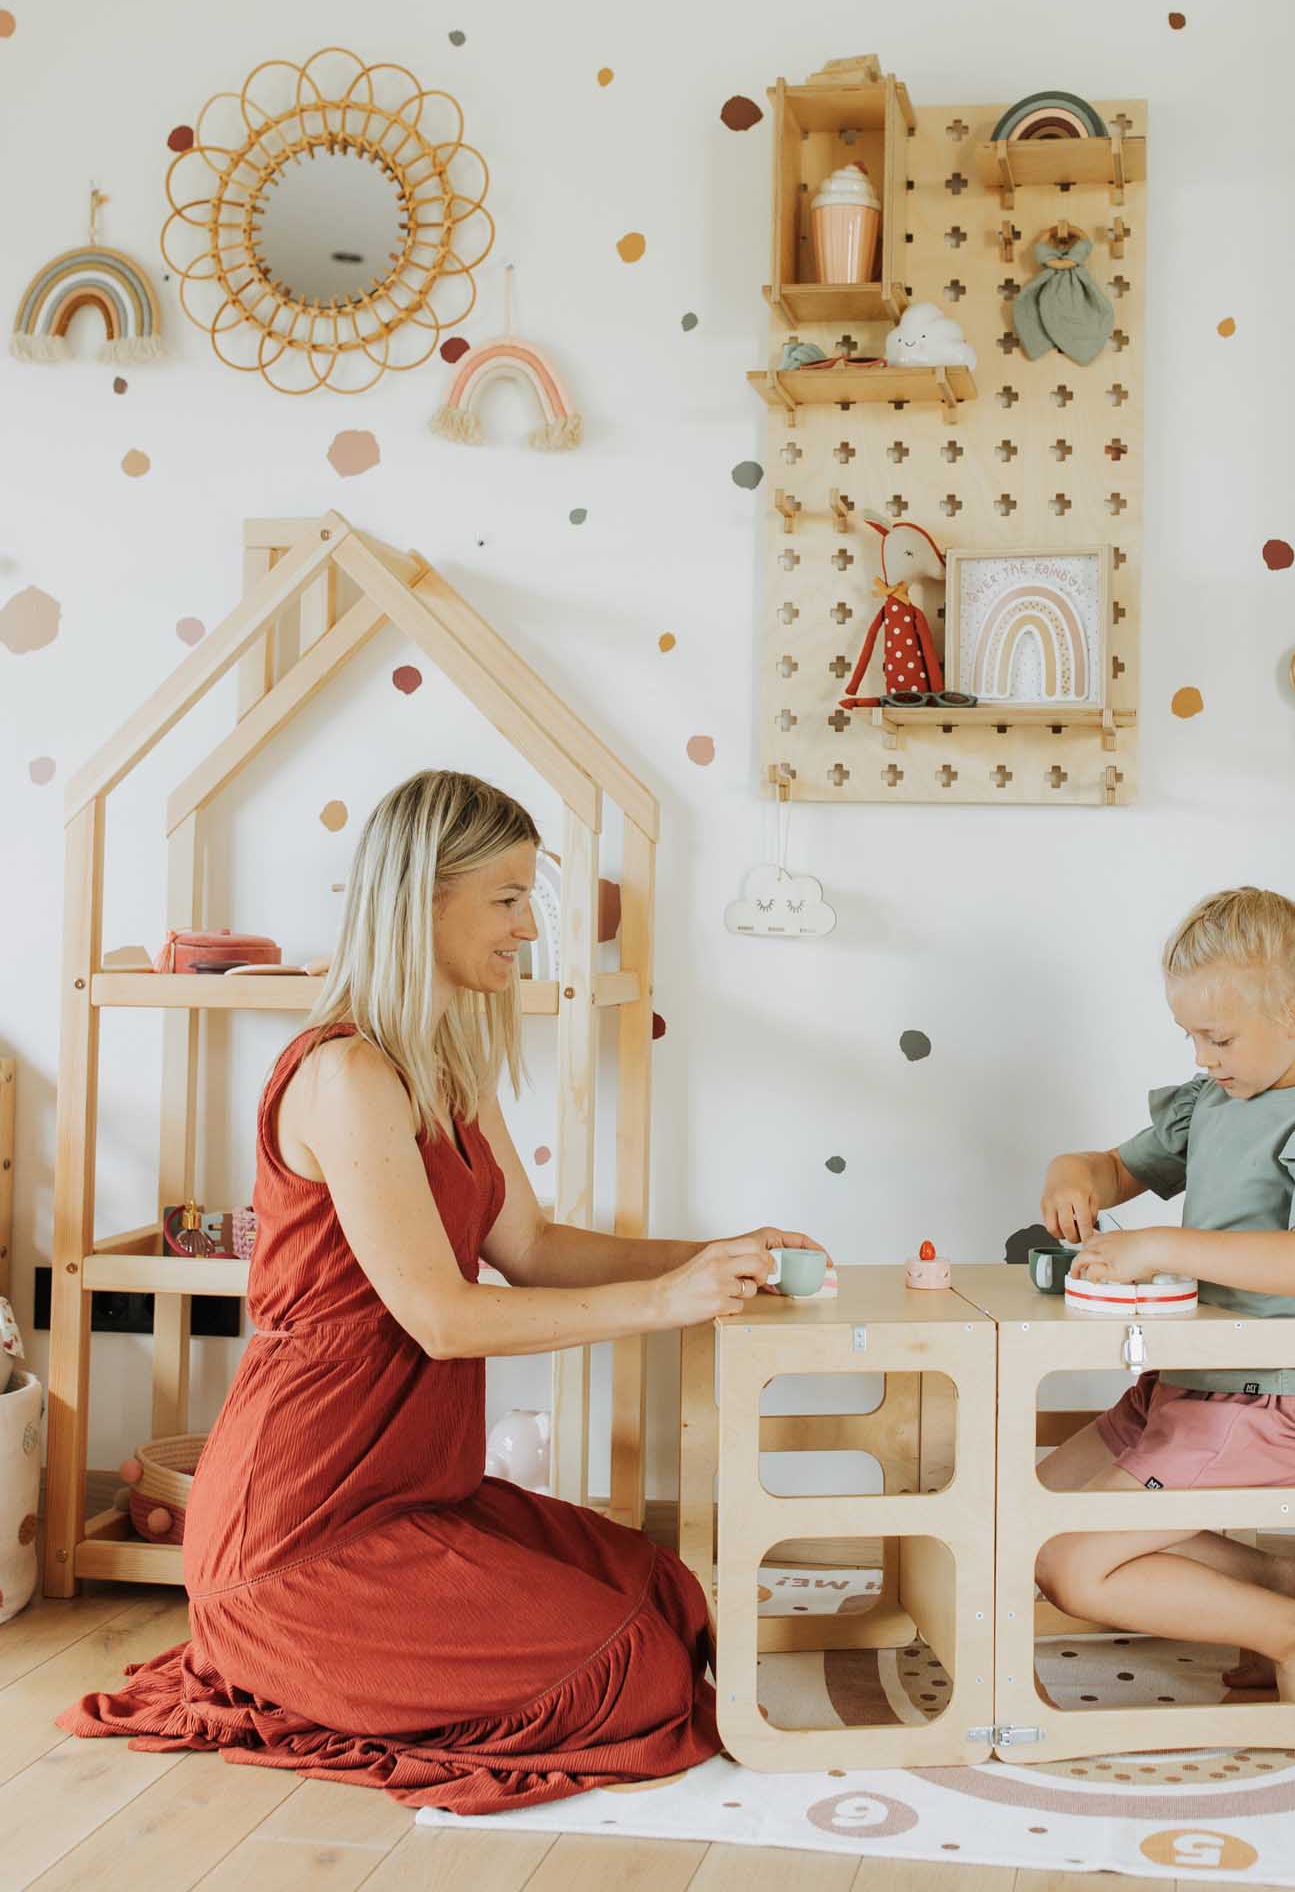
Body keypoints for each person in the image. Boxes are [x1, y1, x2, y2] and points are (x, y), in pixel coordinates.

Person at [60, 770, 827, 1812]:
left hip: (411, 1491)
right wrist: (668, 1301)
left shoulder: (445, 1070)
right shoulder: (346, 1074)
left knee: (662, 1594)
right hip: (300, 1529)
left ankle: (370, 1665)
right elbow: (444, 1317)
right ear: (425, 895)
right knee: (629, 1667)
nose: (527, 926)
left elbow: (538, 1247)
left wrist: (714, 1252)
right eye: (507, 897)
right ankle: (297, 1660)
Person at [1034, 887, 1295, 1702]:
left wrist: (1162, 1244)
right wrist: (1073, 1170)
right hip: (1185, 1387)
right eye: (1191, 1039)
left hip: (1262, 1406)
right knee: (1034, 1511)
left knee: (1073, 1567)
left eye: (1218, 1037)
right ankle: (1272, 1583)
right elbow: (1113, 1168)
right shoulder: (1211, 1105)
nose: (1204, 1059)